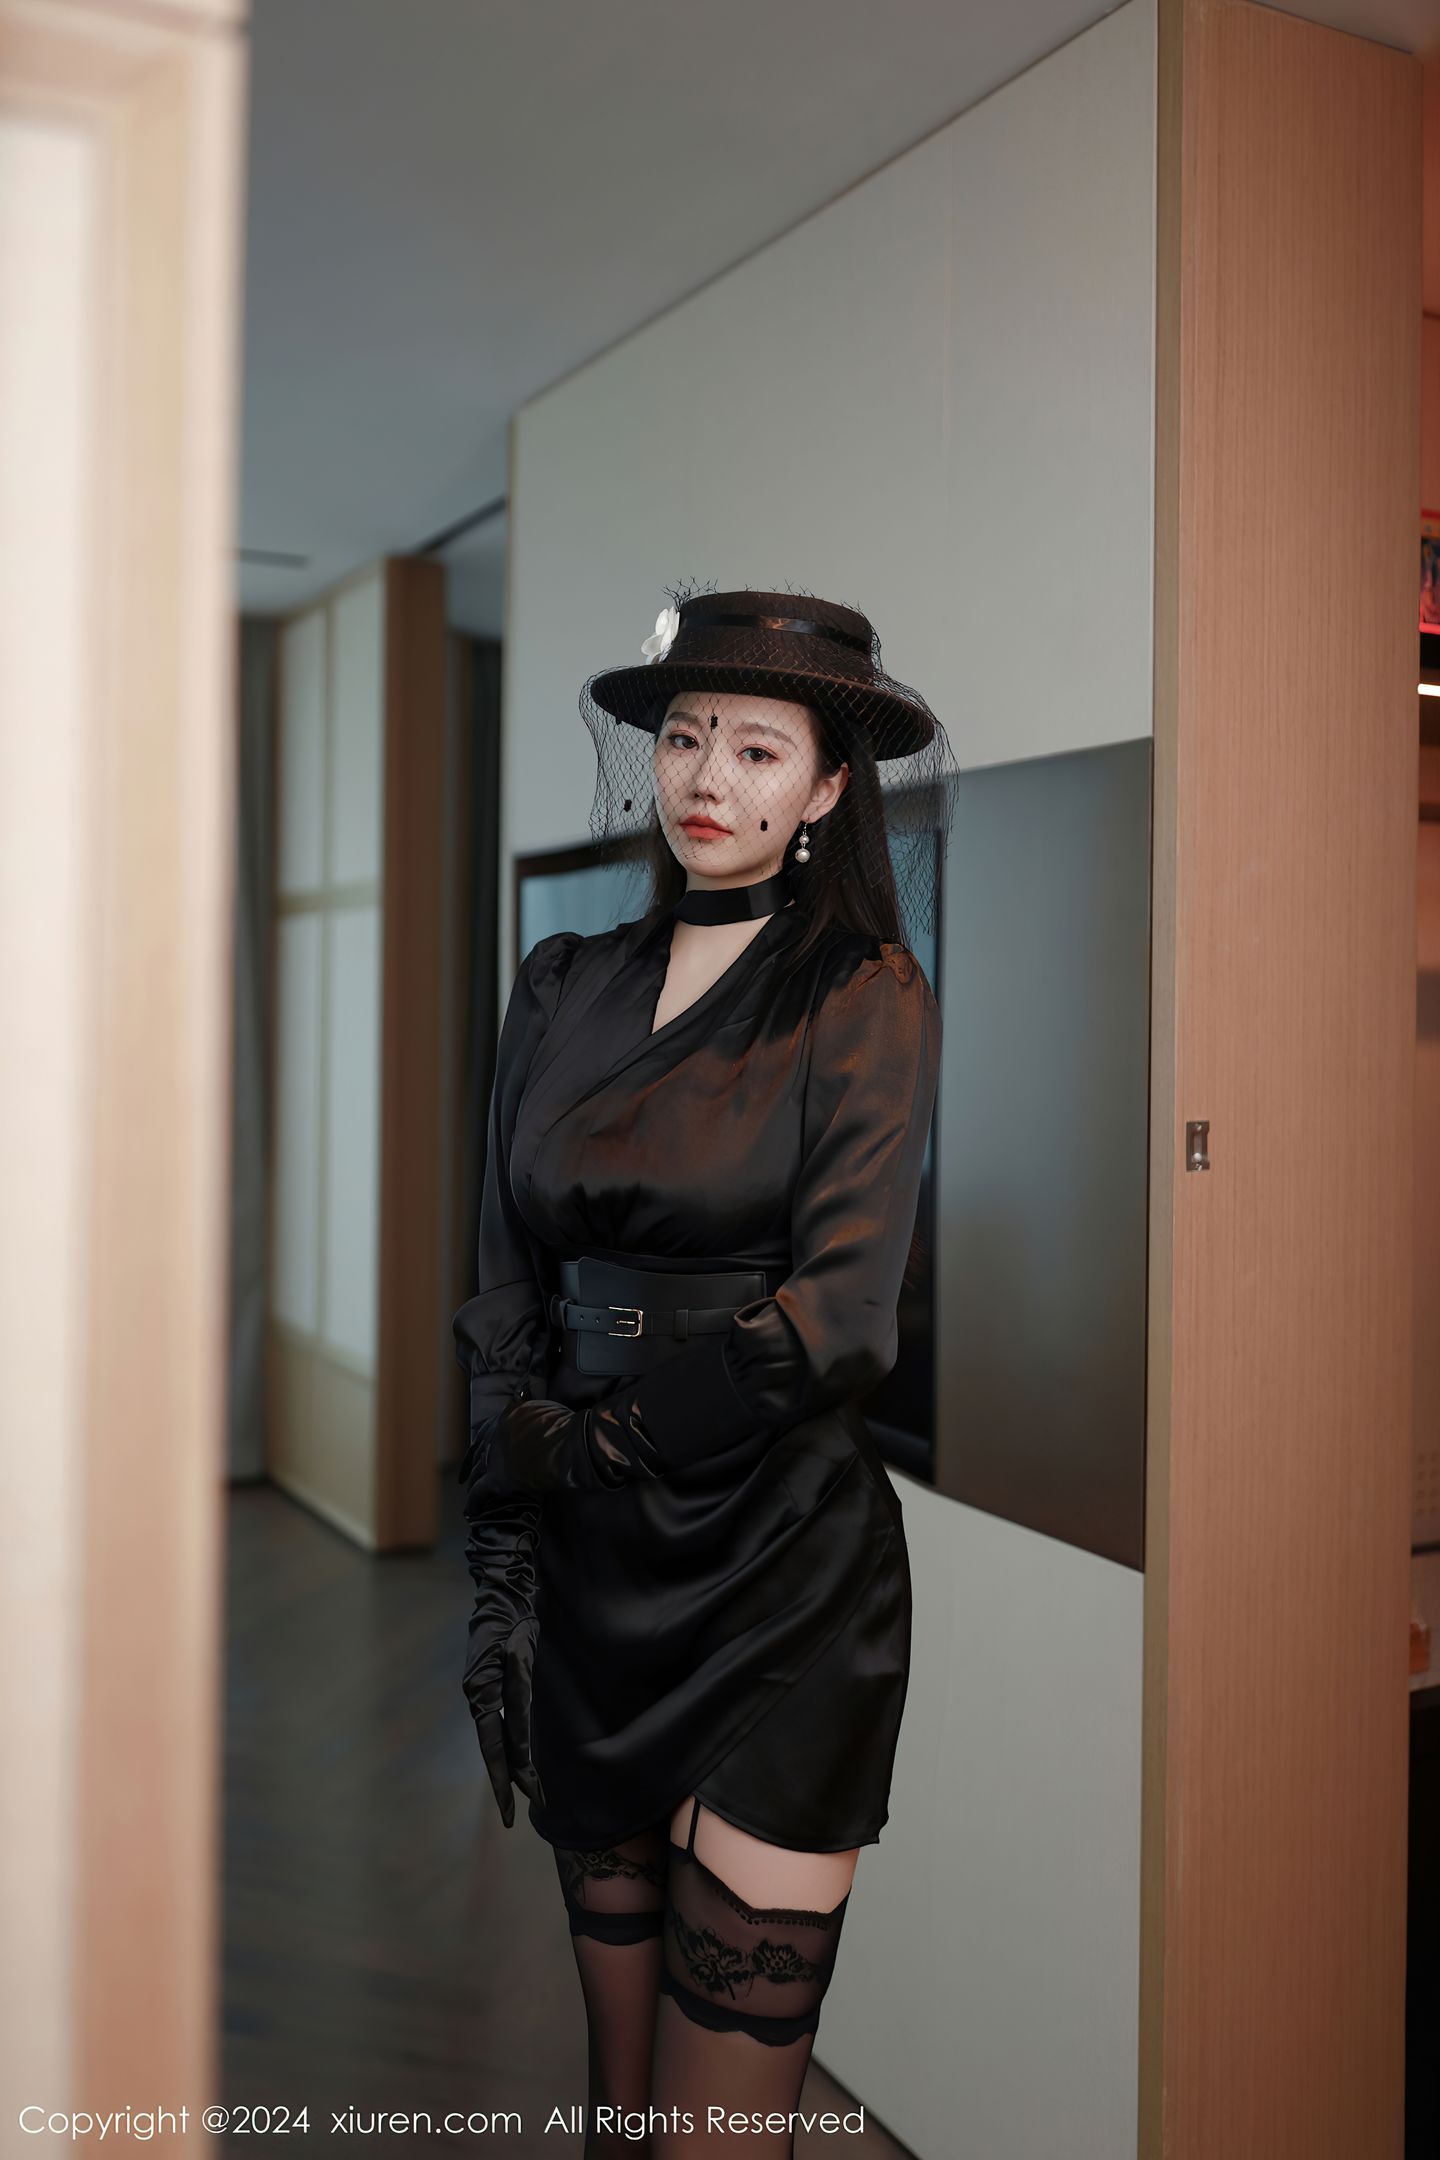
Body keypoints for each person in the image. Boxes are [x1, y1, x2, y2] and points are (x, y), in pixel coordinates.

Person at [452, 586, 958, 2158]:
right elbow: (502, 1281)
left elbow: (842, 1318)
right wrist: (506, 1557)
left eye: (756, 749)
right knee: (620, 2112)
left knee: (711, 2138)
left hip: (781, 1575)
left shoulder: (862, 993)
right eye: (684, 737)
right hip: (592, 1577)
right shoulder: (560, 981)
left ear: (824, 789)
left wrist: (593, 1448)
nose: (707, 778)